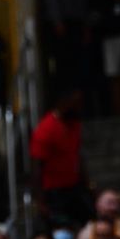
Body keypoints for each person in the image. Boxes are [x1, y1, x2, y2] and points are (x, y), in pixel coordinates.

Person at [30, 86, 91, 227]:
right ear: (64, 102)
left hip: (75, 186)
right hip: (54, 192)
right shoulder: (46, 129)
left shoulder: (74, 124)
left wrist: (87, 183)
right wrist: (40, 201)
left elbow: (78, 155)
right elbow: (36, 167)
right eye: (76, 103)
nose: (79, 107)